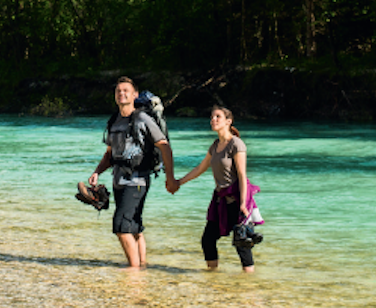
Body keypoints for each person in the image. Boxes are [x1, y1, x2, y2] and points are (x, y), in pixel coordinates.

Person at [86, 77, 175, 268]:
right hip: (119, 179)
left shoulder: (143, 119)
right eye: (118, 91)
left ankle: (133, 272)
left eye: (126, 90)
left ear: (135, 94)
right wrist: (97, 172)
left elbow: (164, 146)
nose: (121, 93)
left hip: (137, 180)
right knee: (134, 227)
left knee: (121, 226)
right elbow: (110, 154)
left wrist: (170, 177)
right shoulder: (114, 121)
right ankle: (142, 265)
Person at [170, 105, 260, 273]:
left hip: (237, 199)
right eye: (212, 117)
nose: (213, 120)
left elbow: (242, 175)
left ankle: (249, 285)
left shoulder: (236, 144)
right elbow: (200, 168)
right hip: (220, 200)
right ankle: (212, 276)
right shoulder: (215, 145)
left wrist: (243, 204)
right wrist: (178, 182)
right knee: (208, 239)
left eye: (218, 117)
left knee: (242, 244)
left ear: (228, 121)